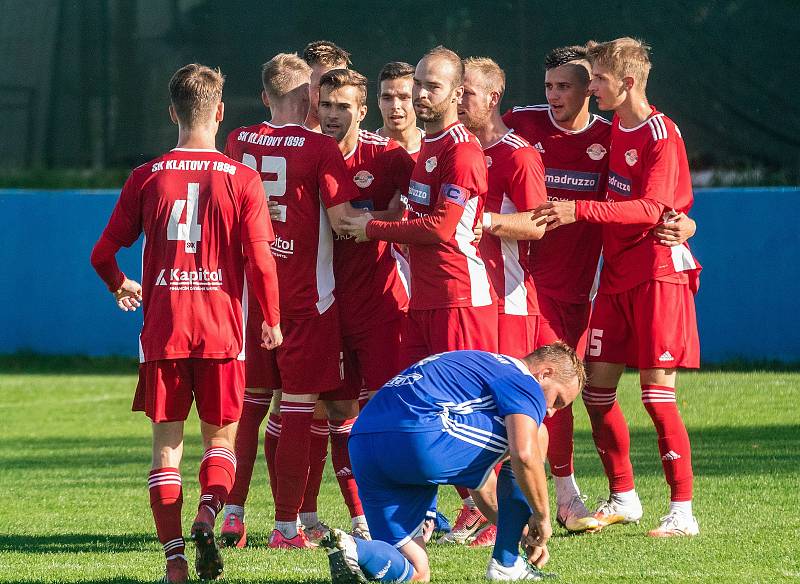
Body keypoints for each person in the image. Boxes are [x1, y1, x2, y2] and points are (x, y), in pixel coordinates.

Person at [90, 63, 282, 582]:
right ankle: (208, 514)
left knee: (166, 449)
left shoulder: (146, 177)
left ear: (172, 112)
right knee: (221, 444)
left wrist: (120, 284)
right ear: (219, 112)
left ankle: (175, 558)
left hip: (164, 331)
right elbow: (262, 262)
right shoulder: (243, 179)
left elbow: (102, 254)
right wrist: (271, 320)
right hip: (222, 330)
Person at [504, 44, 696, 533]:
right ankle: (623, 495)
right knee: (596, 394)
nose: (588, 89)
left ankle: (681, 510)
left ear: (625, 83)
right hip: (611, 278)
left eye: (595, 81)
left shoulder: (656, 131)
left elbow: (656, 208)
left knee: (657, 397)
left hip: (656, 275)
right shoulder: (600, 129)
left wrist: (578, 210)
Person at [341, 46, 498, 533]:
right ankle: (428, 512)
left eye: (433, 87)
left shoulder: (463, 151)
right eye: (419, 86)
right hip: (424, 301)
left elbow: (441, 229)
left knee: (468, 417)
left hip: (459, 299)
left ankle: (503, 519)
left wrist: (370, 229)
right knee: (417, 409)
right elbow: (411, 217)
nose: (422, 95)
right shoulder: (428, 149)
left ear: (457, 93)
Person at [223, 53, 363, 549]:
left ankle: (232, 516)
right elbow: (345, 220)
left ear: (264, 96)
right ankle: (286, 527)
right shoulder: (320, 149)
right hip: (307, 301)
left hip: (252, 300)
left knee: (249, 410)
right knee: (301, 413)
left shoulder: (238, 141)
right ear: (309, 98)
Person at [321, 343, 585, 583]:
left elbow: (486, 489)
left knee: (417, 571)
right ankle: (507, 564)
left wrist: (521, 530)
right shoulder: (522, 379)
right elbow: (525, 454)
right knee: (536, 433)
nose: (550, 411)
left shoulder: (479, 365)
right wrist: (542, 517)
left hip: (363, 442)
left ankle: (353, 547)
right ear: (545, 373)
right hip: (417, 434)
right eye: (557, 400)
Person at [449, 56, 548, 547]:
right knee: (474, 407)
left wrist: (479, 221)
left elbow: (537, 223)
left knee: (508, 413)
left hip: (508, 299)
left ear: (492, 98)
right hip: (471, 296)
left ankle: (517, 512)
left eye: (465, 93)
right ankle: (480, 505)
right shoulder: (457, 148)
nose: (457, 100)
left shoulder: (519, 155)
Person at [318, 67, 415, 539]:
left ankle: (411, 511)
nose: (334, 115)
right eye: (327, 105)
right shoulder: (304, 154)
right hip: (324, 305)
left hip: (379, 304)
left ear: (362, 110)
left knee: (387, 409)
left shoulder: (389, 156)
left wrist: (376, 218)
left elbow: (423, 208)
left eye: (344, 107)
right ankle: (360, 514)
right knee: (338, 413)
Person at [375, 61, 424, 156]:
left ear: (418, 100)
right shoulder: (363, 149)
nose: (395, 106)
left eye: (404, 97)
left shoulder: (435, 148)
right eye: (387, 98)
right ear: (379, 102)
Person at [303, 40, 352, 132]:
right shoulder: (284, 139)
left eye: (340, 86)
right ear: (304, 88)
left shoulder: (362, 142)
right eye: (324, 86)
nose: (333, 97)